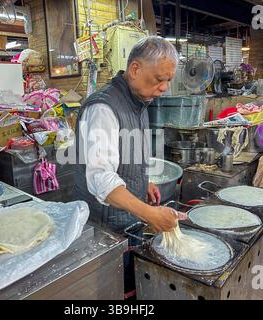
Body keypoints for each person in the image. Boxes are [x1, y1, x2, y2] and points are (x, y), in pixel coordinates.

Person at [74, 36, 185, 295]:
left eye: (168, 80)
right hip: (104, 229)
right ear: (135, 69)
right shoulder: (103, 108)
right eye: (159, 79)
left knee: (129, 284)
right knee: (110, 290)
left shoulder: (138, 102)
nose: (164, 88)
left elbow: (125, 154)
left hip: (126, 222)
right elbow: (101, 177)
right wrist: (150, 214)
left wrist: (141, 181)